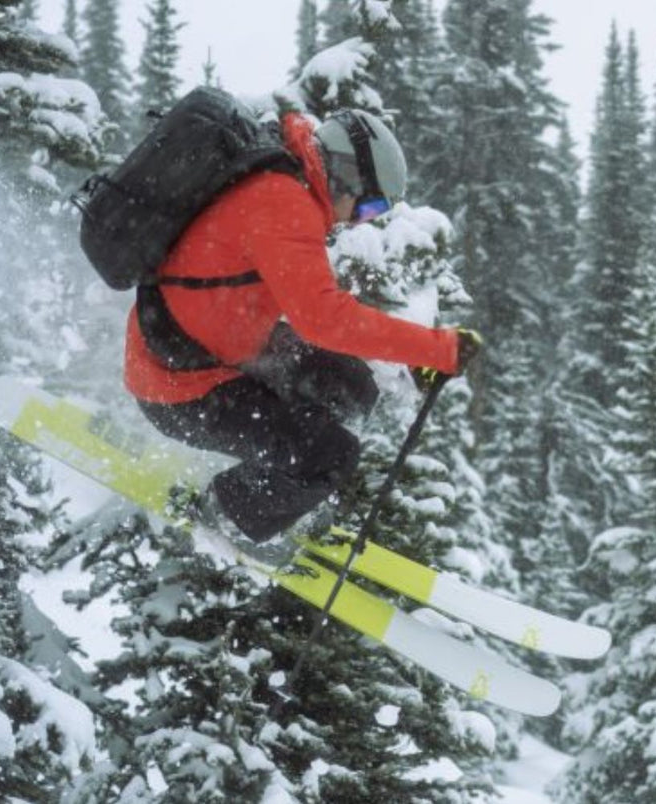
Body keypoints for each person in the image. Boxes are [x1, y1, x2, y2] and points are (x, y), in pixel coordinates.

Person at [123, 107, 478, 547]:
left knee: (352, 387)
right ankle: (225, 519)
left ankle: (285, 482)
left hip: (212, 345)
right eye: (369, 206)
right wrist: (434, 349)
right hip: (176, 387)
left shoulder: (284, 177)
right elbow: (324, 320)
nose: (359, 220)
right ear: (345, 176)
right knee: (331, 456)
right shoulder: (281, 200)